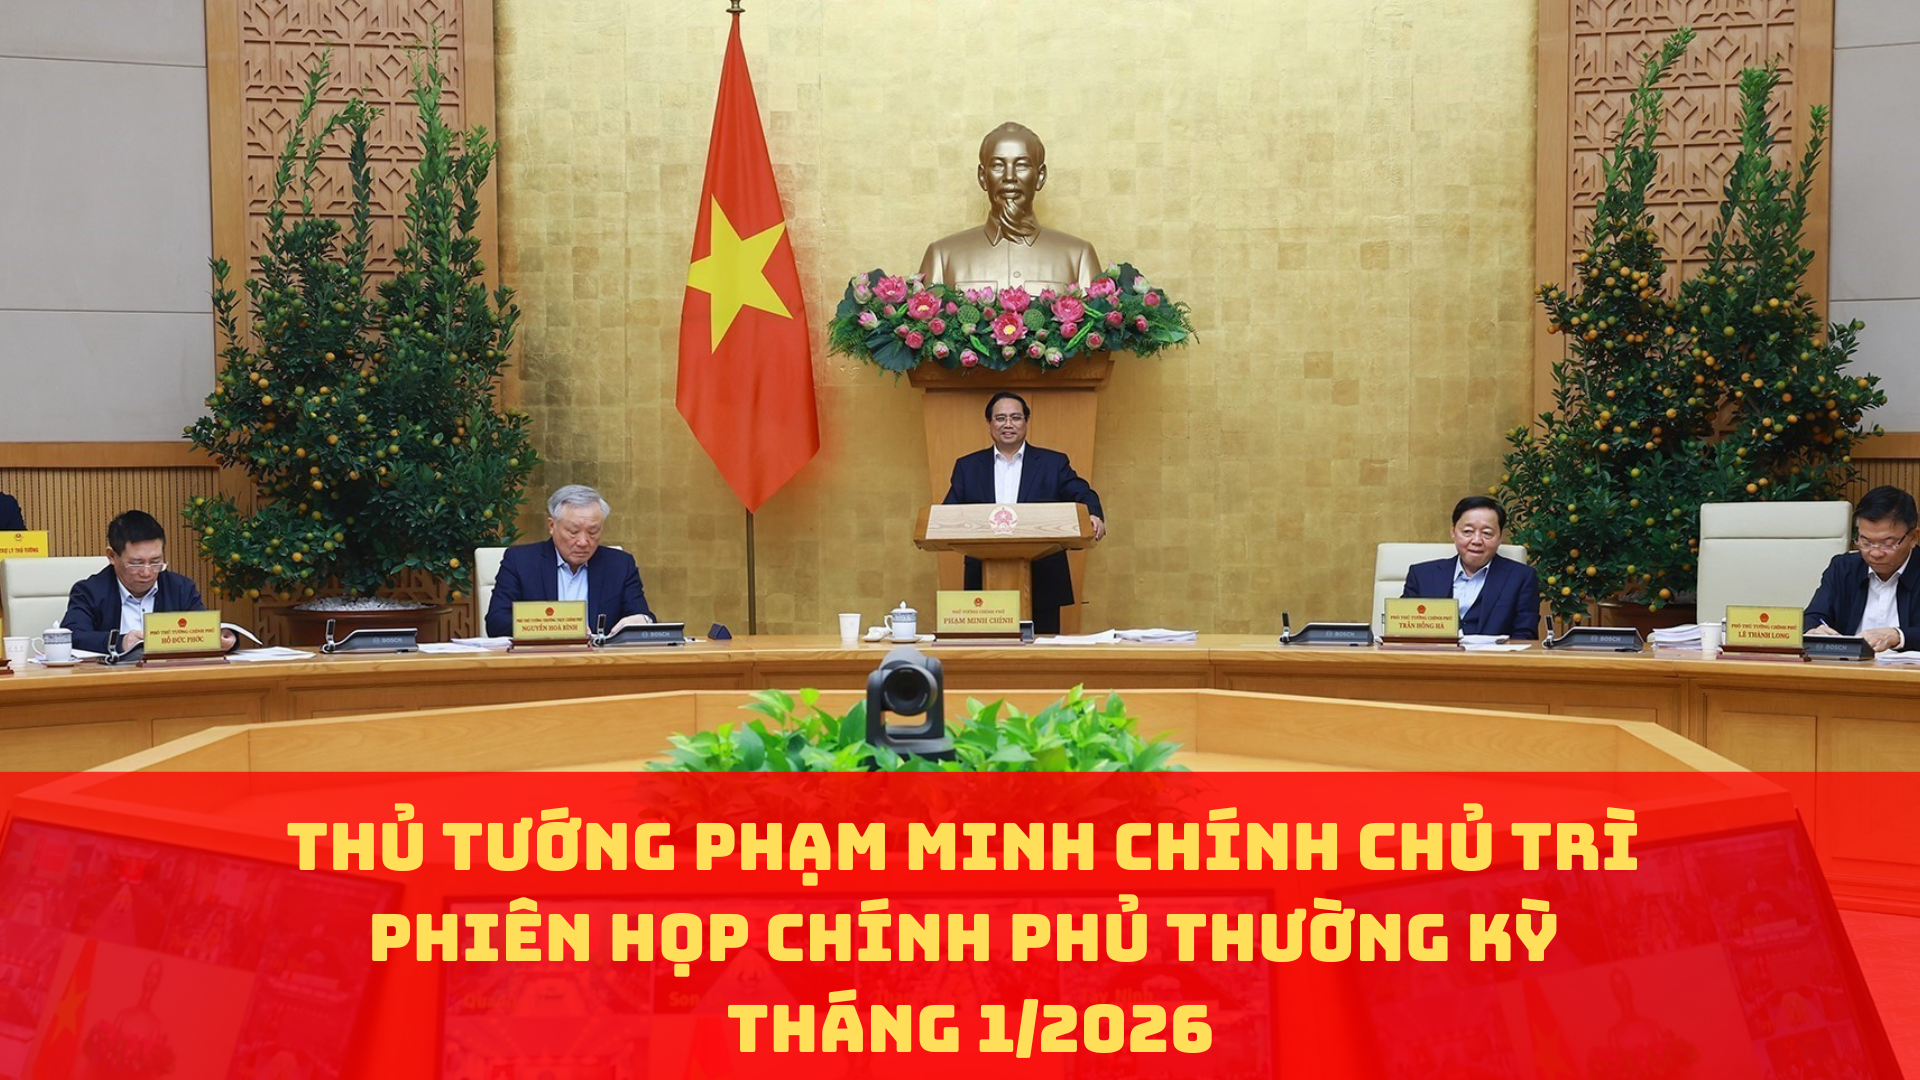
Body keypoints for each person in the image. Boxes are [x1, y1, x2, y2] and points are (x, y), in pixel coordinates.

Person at [942, 391, 1104, 635]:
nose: (1008, 424)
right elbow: (948, 515)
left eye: (1016, 417)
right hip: (984, 583)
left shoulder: (1053, 463)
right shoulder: (968, 467)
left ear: (1026, 421)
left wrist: (1093, 514)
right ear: (989, 423)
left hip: (1043, 580)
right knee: (987, 654)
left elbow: (1083, 493)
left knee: (1042, 655)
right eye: (1000, 418)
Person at [919, 122, 1101, 294]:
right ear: (982, 177)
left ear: (1040, 176)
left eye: (1022, 165)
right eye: (998, 165)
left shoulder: (1078, 257)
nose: (1009, 176)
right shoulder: (942, 257)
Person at [484, 485, 654, 638]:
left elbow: (641, 615)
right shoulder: (521, 562)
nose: (583, 542)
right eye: (573, 531)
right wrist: (559, 627)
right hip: (541, 659)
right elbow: (497, 622)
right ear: (552, 526)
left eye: (593, 532)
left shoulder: (620, 565)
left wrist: (643, 620)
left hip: (600, 660)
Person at [62, 510, 235, 653]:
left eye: (155, 562)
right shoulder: (89, 591)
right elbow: (72, 636)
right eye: (136, 563)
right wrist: (120, 642)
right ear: (112, 556)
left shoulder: (181, 588)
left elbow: (202, 630)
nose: (147, 572)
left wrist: (222, 638)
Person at [1401, 496, 1541, 639]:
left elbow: (1525, 635)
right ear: (1453, 532)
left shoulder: (1521, 578)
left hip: (1494, 654)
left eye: (1487, 533)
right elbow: (1402, 629)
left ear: (1500, 537)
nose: (1476, 540)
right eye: (1467, 531)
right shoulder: (1422, 576)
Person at [1804, 484, 1920, 652]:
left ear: (1913, 538)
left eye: (1888, 544)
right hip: (1847, 666)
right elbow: (1813, 616)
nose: (1875, 553)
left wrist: (1898, 636)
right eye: (1866, 542)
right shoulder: (1843, 568)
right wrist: (1814, 629)